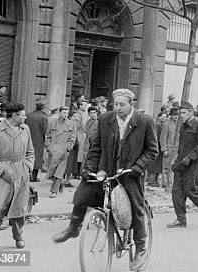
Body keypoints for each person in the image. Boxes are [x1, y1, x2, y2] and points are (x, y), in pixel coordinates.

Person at [53, 89, 157, 271]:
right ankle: (74, 226)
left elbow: (151, 151)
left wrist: (137, 168)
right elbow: (96, 147)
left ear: (130, 104)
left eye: (122, 105)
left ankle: (140, 247)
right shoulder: (105, 119)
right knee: (84, 192)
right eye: (115, 104)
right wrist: (90, 168)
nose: (117, 108)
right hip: (106, 171)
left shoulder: (144, 121)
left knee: (136, 206)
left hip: (130, 173)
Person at [0, 103, 34, 252]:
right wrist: (1, 172)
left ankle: (18, 237)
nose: (25, 117)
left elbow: (31, 151)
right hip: (1, 175)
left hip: (21, 171)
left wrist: (28, 167)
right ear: (14, 116)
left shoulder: (25, 129)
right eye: (22, 115)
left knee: (18, 209)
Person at [167, 101, 198, 228]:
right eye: (180, 113)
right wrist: (177, 162)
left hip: (194, 162)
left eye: (183, 113)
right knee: (176, 191)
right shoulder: (184, 126)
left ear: (190, 112)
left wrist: (190, 157)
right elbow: (182, 147)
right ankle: (180, 219)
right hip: (182, 162)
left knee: (190, 189)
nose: (181, 115)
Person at [45, 106, 75, 198]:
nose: (65, 115)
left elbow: (73, 138)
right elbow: (48, 135)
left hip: (63, 151)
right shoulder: (53, 122)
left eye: (67, 113)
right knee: (51, 172)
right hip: (53, 150)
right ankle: (60, 182)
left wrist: (68, 148)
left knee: (59, 171)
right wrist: (48, 146)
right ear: (59, 113)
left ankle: (54, 191)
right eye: (64, 113)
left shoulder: (71, 124)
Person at [26, 102, 49, 182]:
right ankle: (34, 177)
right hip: (38, 140)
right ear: (42, 108)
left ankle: (27, 176)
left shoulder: (28, 115)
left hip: (27, 139)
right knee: (37, 157)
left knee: (27, 156)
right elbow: (45, 131)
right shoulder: (44, 117)